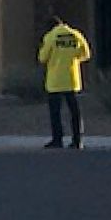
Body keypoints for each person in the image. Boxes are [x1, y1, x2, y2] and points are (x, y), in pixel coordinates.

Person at [37, 15, 91, 149]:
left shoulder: (50, 37)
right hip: (72, 79)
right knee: (74, 112)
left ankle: (57, 139)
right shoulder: (75, 34)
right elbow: (86, 54)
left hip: (55, 80)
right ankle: (77, 140)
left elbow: (42, 58)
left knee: (55, 112)